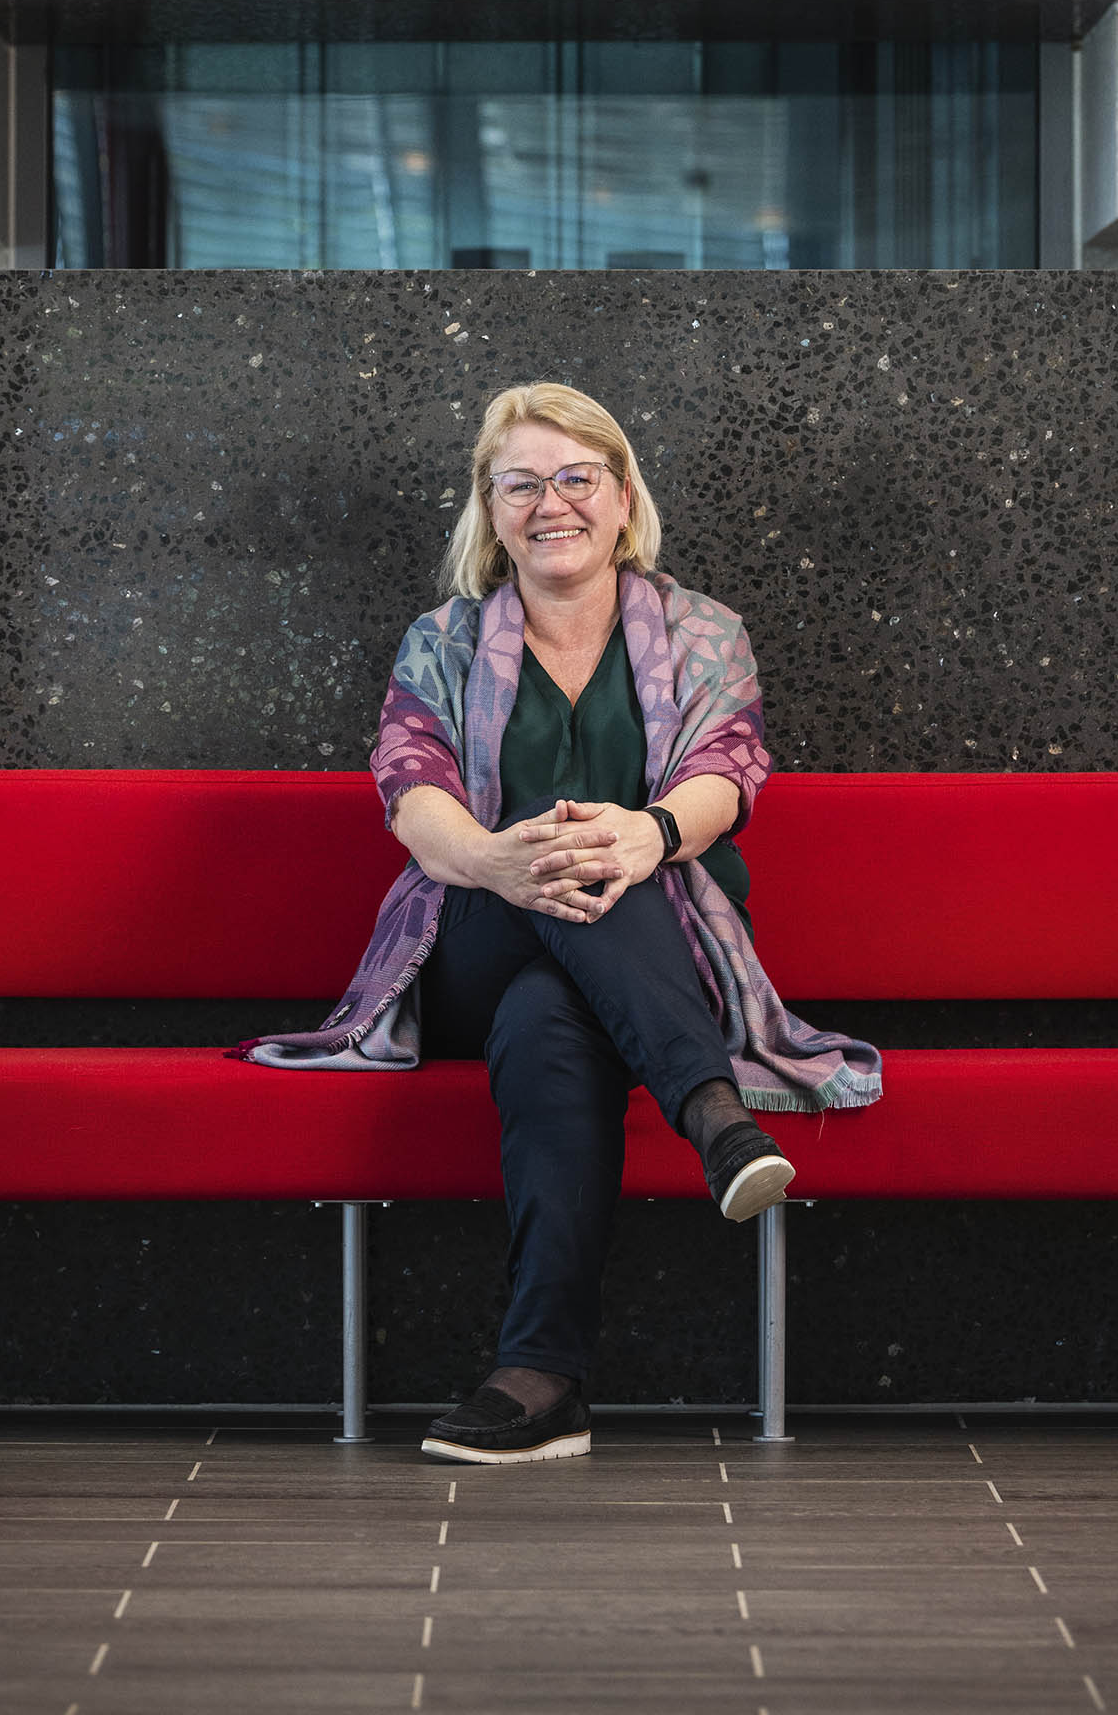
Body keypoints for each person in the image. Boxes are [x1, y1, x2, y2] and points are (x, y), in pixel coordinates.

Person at [243, 382, 881, 1463]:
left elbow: (726, 771)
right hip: (472, 942)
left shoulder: (704, 633)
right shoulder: (443, 641)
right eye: (522, 484)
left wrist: (648, 835)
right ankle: (716, 1118)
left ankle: (540, 1380)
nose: (552, 503)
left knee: (550, 1016)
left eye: (577, 477)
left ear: (623, 497)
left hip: (664, 948)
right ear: (490, 512)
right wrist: (497, 858)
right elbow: (412, 790)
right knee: (554, 871)